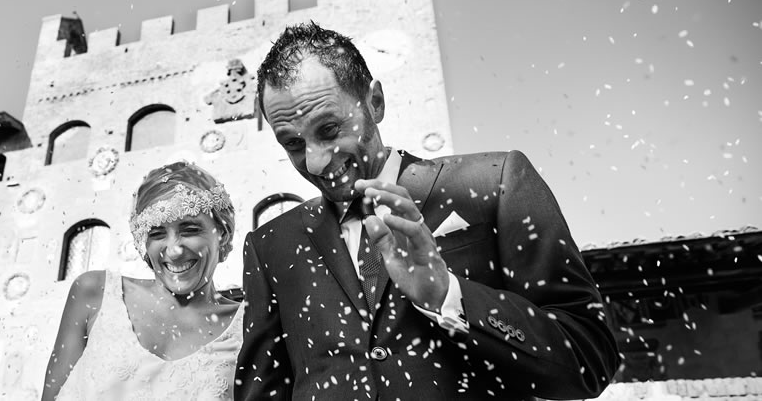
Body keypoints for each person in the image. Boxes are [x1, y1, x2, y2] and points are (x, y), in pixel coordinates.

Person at [235, 23, 620, 400]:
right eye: (292, 143)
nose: (316, 162)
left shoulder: (494, 183)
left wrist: (448, 295)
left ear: (375, 102)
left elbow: (588, 359)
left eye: (330, 129)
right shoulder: (270, 247)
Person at [43, 162, 244, 400]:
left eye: (190, 229)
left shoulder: (248, 327)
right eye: (157, 234)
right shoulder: (94, 293)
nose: (174, 250)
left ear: (222, 235)